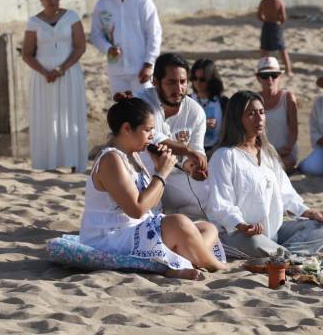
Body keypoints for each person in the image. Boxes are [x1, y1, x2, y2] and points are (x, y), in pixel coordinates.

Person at [80, 98, 226, 280]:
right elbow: (136, 209)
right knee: (179, 223)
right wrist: (162, 174)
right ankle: (215, 265)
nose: (152, 136)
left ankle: (179, 263)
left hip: (136, 229)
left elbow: (151, 204)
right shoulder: (111, 159)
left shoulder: (133, 155)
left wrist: (158, 169)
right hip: (111, 236)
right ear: (127, 128)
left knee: (207, 228)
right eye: (148, 130)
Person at [206, 91, 323, 258]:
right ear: (236, 118)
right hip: (239, 234)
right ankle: (287, 256)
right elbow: (220, 205)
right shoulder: (225, 155)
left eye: (261, 112)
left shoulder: (268, 152)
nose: (259, 119)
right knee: (255, 243)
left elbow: (286, 194)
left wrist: (311, 213)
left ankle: (283, 256)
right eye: (251, 114)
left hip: (272, 233)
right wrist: (242, 225)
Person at [21, 0, 88, 173]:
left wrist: (62, 68)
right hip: (43, 77)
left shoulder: (71, 17)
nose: (53, 0)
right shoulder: (33, 22)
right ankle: (47, 163)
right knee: (47, 117)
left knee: (71, 116)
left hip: (69, 73)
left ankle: (75, 162)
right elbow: (27, 54)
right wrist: (45, 72)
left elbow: (80, 47)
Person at [134, 53, 209, 219]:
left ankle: (172, 219)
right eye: (172, 82)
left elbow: (196, 151)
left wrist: (194, 167)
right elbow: (153, 139)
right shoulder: (141, 101)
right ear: (155, 82)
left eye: (183, 82)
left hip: (174, 177)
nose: (179, 89)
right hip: (142, 176)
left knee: (209, 195)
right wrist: (188, 151)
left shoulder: (196, 112)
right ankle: (161, 217)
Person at [90, 0, 161, 97]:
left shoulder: (143, 1)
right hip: (116, 71)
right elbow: (96, 35)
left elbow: (154, 34)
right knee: (122, 108)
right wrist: (108, 48)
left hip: (141, 68)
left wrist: (149, 64)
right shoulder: (102, 4)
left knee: (144, 107)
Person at [256, 56, 299, 170]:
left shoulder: (288, 98)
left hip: (284, 153)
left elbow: (293, 130)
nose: (270, 79)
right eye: (265, 76)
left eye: (274, 75)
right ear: (258, 78)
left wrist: (287, 148)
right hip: (261, 152)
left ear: (280, 77)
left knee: (285, 163)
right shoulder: (253, 100)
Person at [190, 59, 229, 154]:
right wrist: (201, 125)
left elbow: (227, 133)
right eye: (194, 78)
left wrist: (214, 151)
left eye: (202, 79)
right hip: (190, 151)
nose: (197, 82)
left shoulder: (223, 103)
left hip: (216, 151)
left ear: (212, 80)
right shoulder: (186, 101)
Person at [257, 0, 292, 75]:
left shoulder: (263, 2)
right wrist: (279, 22)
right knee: (282, 49)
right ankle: (288, 70)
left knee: (264, 50)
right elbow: (283, 17)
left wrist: (265, 19)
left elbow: (259, 15)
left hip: (266, 26)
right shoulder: (279, 2)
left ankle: (261, 69)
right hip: (276, 26)